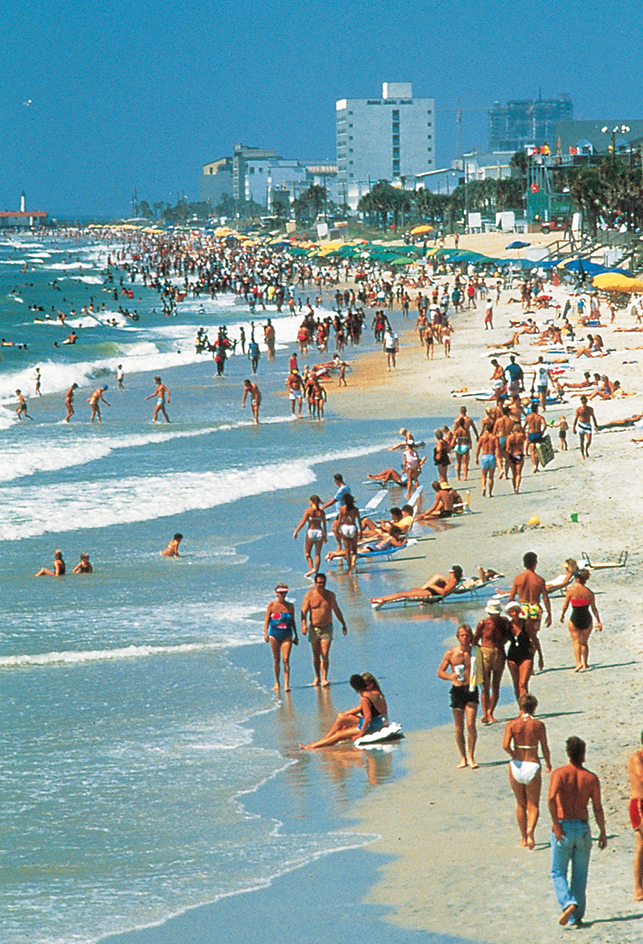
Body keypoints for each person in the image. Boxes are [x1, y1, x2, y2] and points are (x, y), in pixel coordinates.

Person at [548, 736, 607, 927]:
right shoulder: (591, 778)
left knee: (558, 872)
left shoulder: (559, 773)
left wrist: (556, 824)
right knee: (580, 875)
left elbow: (550, 798)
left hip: (563, 825)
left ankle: (567, 903)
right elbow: (597, 808)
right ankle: (576, 916)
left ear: (568, 753)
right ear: (583, 754)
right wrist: (603, 832)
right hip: (582, 827)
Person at [503, 693, 552, 849]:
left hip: (516, 764)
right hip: (532, 762)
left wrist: (513, 755)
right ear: (534, 707)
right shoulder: (538, 725)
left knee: (520, 804)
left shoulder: (512, 724)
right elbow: (544, 747)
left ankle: (524, 837)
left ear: (520, 706)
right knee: (533, 804)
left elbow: (505, 745)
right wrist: (548, 764)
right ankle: (531, 831)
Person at [299, 672, 388, 749]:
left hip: (372, 725)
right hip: (377, 722)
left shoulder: (364, 699)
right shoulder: (374, 693)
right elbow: (362, 710)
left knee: (339, 734)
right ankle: (323, 740)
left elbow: (368, 718)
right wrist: (343, 714)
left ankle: (314, 746)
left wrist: (360, 734)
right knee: (342, 719)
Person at [437, 624, 480, 769]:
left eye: (467, 635)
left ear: (470, 636)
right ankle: (462, 758)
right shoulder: (451, 653)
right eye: (462, 635)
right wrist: (450, 676)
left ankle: (471, 757)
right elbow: (440, 672)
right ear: (458, 637)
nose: (464, 637)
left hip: (471, 688)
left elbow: (484, 670)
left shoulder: (475, 652)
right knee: (459, 727)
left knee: (471, 725)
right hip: (457, 690)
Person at [300, 572, 348, 687]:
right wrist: (303, 625)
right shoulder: (309, 595)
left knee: (325, 653)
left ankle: (324, 677)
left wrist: (343, 624)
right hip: (314, 628)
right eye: (319, 583)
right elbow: (304, 611)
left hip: (327, 627)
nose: (321, 585)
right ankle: (317, 677)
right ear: (315, 583)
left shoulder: (330, 595)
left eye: (323, 583)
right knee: (316, 655)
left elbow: (336, 610)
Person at [510, 551, 551, 670]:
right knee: (532, 637)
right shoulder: (539, 580)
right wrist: (549, 613)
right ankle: (530, 665)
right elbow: (545, 597)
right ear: (534, 564)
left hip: (522, 607)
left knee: (522, 636)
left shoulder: (518, 578)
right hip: (534, 608)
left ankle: (523, 662)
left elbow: (511, 597)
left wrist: (512, 612)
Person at [473, 601, 510, 724]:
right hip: (486, 651)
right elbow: (474, 640)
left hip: (499, 651)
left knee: (496, 685)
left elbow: (509, 636)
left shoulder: (504, 622)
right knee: (485, 685)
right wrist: (481, 650)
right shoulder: (483, 623)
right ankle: (485, 713)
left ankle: (490, 713)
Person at [560, 568, 602, 672]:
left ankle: (578, 663)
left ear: (577, 578)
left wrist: (562, 615)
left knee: (576, 642)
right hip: (587, 617)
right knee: (584, 642)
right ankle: (585, 663)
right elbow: (594, 609)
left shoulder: (571, 590)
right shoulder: (589, 593)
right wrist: (599, 621)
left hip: (575, 617)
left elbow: (565, 605)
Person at [370, 565, 464, 608]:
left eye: (450, 572)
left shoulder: (453, 582)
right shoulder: (452, 581)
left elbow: (443, 592)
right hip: (430, 591)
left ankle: (382, 599)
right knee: (437, 576)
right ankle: (382, 599)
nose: (449, 573)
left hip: (430, 593)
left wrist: (433, 586)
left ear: (454, 573)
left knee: (404, 594)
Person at [264, 584, 298, 692]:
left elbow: (293, 621)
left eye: (285, 593)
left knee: (286, 659)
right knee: (276, 659)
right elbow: (266, 620)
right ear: (276, 593)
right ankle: (277, 682)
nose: (283, 595)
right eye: (281, 593)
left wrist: (296, 635)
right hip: (274, 634)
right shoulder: (271, 605)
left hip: (287, 634)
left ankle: (286, 684)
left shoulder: (290, 606)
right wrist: (265, 633)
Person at [505, 601, 538, 702]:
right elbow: (502, 640)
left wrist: (540, 656)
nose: (514, 613)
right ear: (509, 613)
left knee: (523, 683)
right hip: (512, 655)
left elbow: (534, 638)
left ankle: (525, 709)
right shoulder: (508, 626)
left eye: (515, 610)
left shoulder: (526, 623)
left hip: (526, 654)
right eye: (511, 611)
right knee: (516, 683)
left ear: (519, 611)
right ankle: (521, 708)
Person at [293, 495, 327, 576]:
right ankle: (317, 572)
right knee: (317, 554)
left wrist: (296, 531)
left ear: (311, 501)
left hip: (311, 531)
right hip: (319, 531)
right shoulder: (322, 512)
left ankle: (311, 568)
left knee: (307, 553)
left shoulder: (308, 511)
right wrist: (325, 535)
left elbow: (303, 522)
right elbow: (324, 525)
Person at [627, 731, 643, 901]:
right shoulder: (636, 757)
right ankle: (638, 888)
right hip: (639, 805)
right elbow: (641, 776)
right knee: (641, 845)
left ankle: (639, 888)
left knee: (641, 845)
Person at [321, 473, 352, 551]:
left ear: (337, 480)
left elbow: (334, 500)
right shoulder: (346, 487)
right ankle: (344, 545)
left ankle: (341, 547)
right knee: (341, 529)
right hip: (343, 511)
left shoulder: (342, 489)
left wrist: (323, 507)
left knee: (335, 529)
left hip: (342, 512)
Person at [337, 492, 362, 574]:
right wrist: (361, 531)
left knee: (347, 550)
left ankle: (349, 569)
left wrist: (339, 530)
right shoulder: (355, 509)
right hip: (352, 527)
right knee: (354, 550)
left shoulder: (342, 509)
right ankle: (353, 563)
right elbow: (359, 521)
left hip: (345, 527)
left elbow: (339, 521)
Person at [475, 420, 498, 498]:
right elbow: (497, 448)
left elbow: (478, 447)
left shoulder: (482, 437)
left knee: (483, 475)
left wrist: (476, 457)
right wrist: (498, 458)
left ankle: (484, 487)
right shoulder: (494, 437)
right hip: (492, 456)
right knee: (491, 477)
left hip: (484, 456)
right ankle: (490, 493)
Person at [505, 421, 527, 493]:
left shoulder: (509, 437)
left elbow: (507, 448)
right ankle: (517, 488)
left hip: (512, 455)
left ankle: (514, 487)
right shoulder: (521, 436)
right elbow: (526, 437)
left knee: (513, 473)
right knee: (518, 473)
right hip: (519, 454)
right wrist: (522, 430)